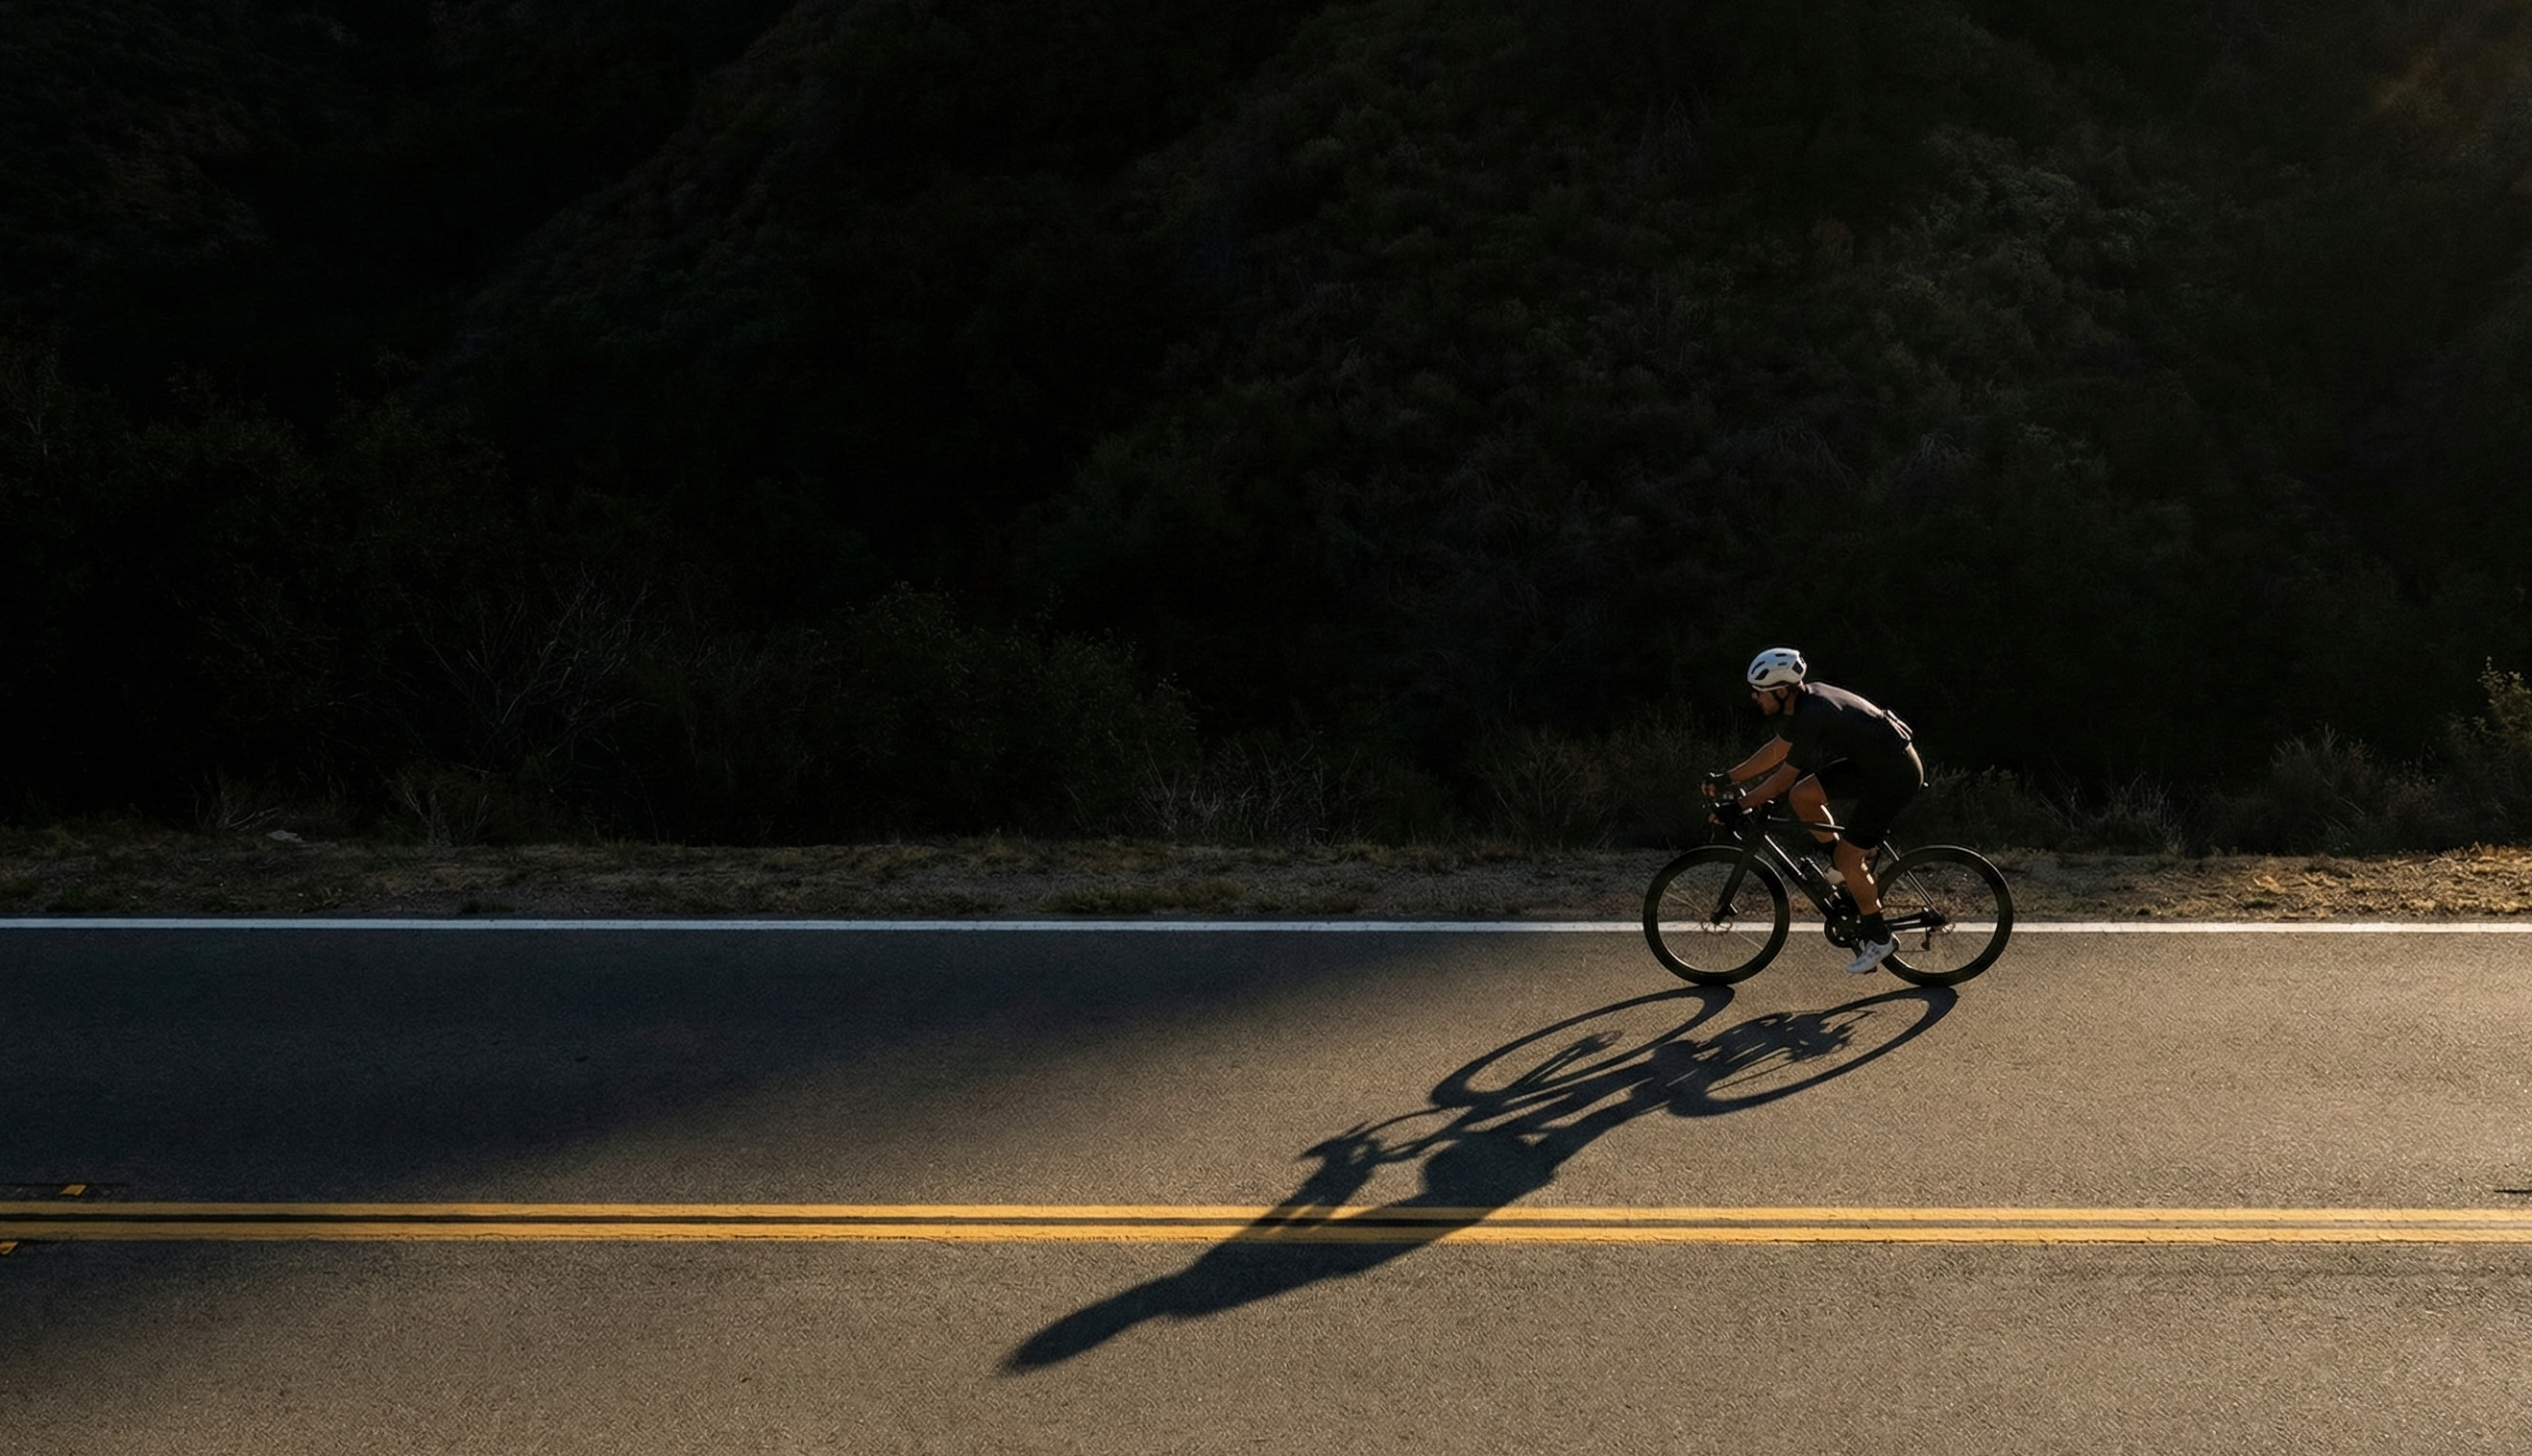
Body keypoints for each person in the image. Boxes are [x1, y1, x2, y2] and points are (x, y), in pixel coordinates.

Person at [1703, 647, 1925, 974]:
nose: (1754, 697)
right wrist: (1728, 778)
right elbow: (1777, 750)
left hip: (1895, 776)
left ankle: (1879, 938)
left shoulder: (1813, 712)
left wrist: (1737, 806)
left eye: (1759, 691)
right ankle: (1844, 867)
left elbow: (1780, 780)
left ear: (1781, 690)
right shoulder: (1804, 700)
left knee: (1848, 858)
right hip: (1874, 764)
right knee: (1803, 795)